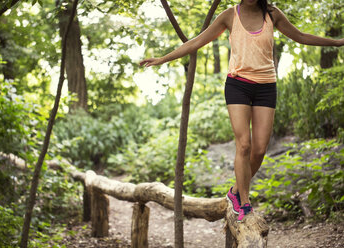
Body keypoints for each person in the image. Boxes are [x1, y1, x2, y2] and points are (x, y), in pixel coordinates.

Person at [139, 0, 344, 222]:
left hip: (266, 86)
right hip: (238, 85)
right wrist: (163, 58)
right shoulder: (229, 15)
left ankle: (234, 192)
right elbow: (197, 41)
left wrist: (338, 43)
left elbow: (301, 37)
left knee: (259, 150)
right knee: (244, 144)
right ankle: (244, 204)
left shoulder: (272, 14)